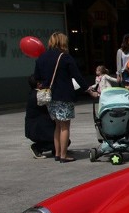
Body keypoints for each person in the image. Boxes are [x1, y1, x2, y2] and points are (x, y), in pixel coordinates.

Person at [33, 32, 93, 162]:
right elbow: (77, 76)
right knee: (65, 126)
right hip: (64, 95)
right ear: (62, 42)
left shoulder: (42, 57)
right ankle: (64, 155)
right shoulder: (64, 57)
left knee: (57, 126)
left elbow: (37, 77)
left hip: (49, 96)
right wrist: (88, 90)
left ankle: (57, 153)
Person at [25, 75, 56, 159]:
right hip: (38, 128)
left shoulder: (32, 93)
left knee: (63, 140)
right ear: (39, 84)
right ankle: (37, 147)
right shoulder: (39, 94)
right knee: (60, 140)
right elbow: (48, 99)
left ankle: (55, 150)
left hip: (37, 127)